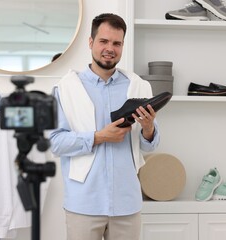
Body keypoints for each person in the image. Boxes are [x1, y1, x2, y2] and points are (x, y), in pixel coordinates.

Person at [49, 13, 160, 240]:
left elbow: (149, 146)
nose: (110, 48)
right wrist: (99, 136)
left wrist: (149, 128)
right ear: (91, 43)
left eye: (117, 43)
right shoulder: (65, 89)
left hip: (126, 203)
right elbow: (55, 143)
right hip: (84, 204)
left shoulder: (139, 86)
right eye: (104, 41)